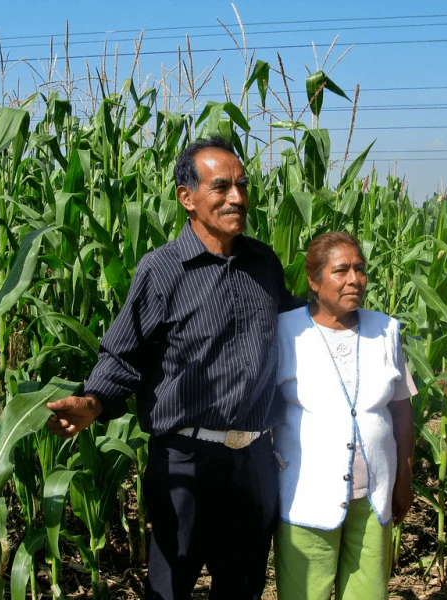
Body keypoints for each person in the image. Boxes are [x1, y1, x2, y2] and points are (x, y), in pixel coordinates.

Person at [46, 136, 302, 599]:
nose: (237, 197)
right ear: (187, 197)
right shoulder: (162, 270)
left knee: (243, 587)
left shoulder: (264, 262)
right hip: (186, 462)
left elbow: (293, 325)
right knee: (170, 588)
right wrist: (94, 400)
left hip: (255, 461)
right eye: (221, 187)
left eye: (242, 185)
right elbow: (124, 352)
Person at [272, 231, 416, 600]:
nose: (355, 279)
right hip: (306, 497)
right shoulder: (285, 332)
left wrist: (403, 479)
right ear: (314, 281)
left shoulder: (386, 330)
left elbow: (401, 410)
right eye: (341, 270)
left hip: (374, 498)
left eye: (360, 269)